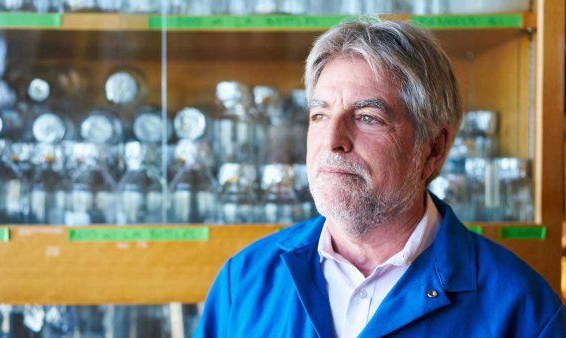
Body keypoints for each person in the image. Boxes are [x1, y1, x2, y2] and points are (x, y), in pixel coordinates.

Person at [193, 19, 565, 338]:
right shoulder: (244, 281)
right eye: (320, 115)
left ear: (433, 149)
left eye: (367, 117)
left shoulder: (522, 311)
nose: (332, 142)